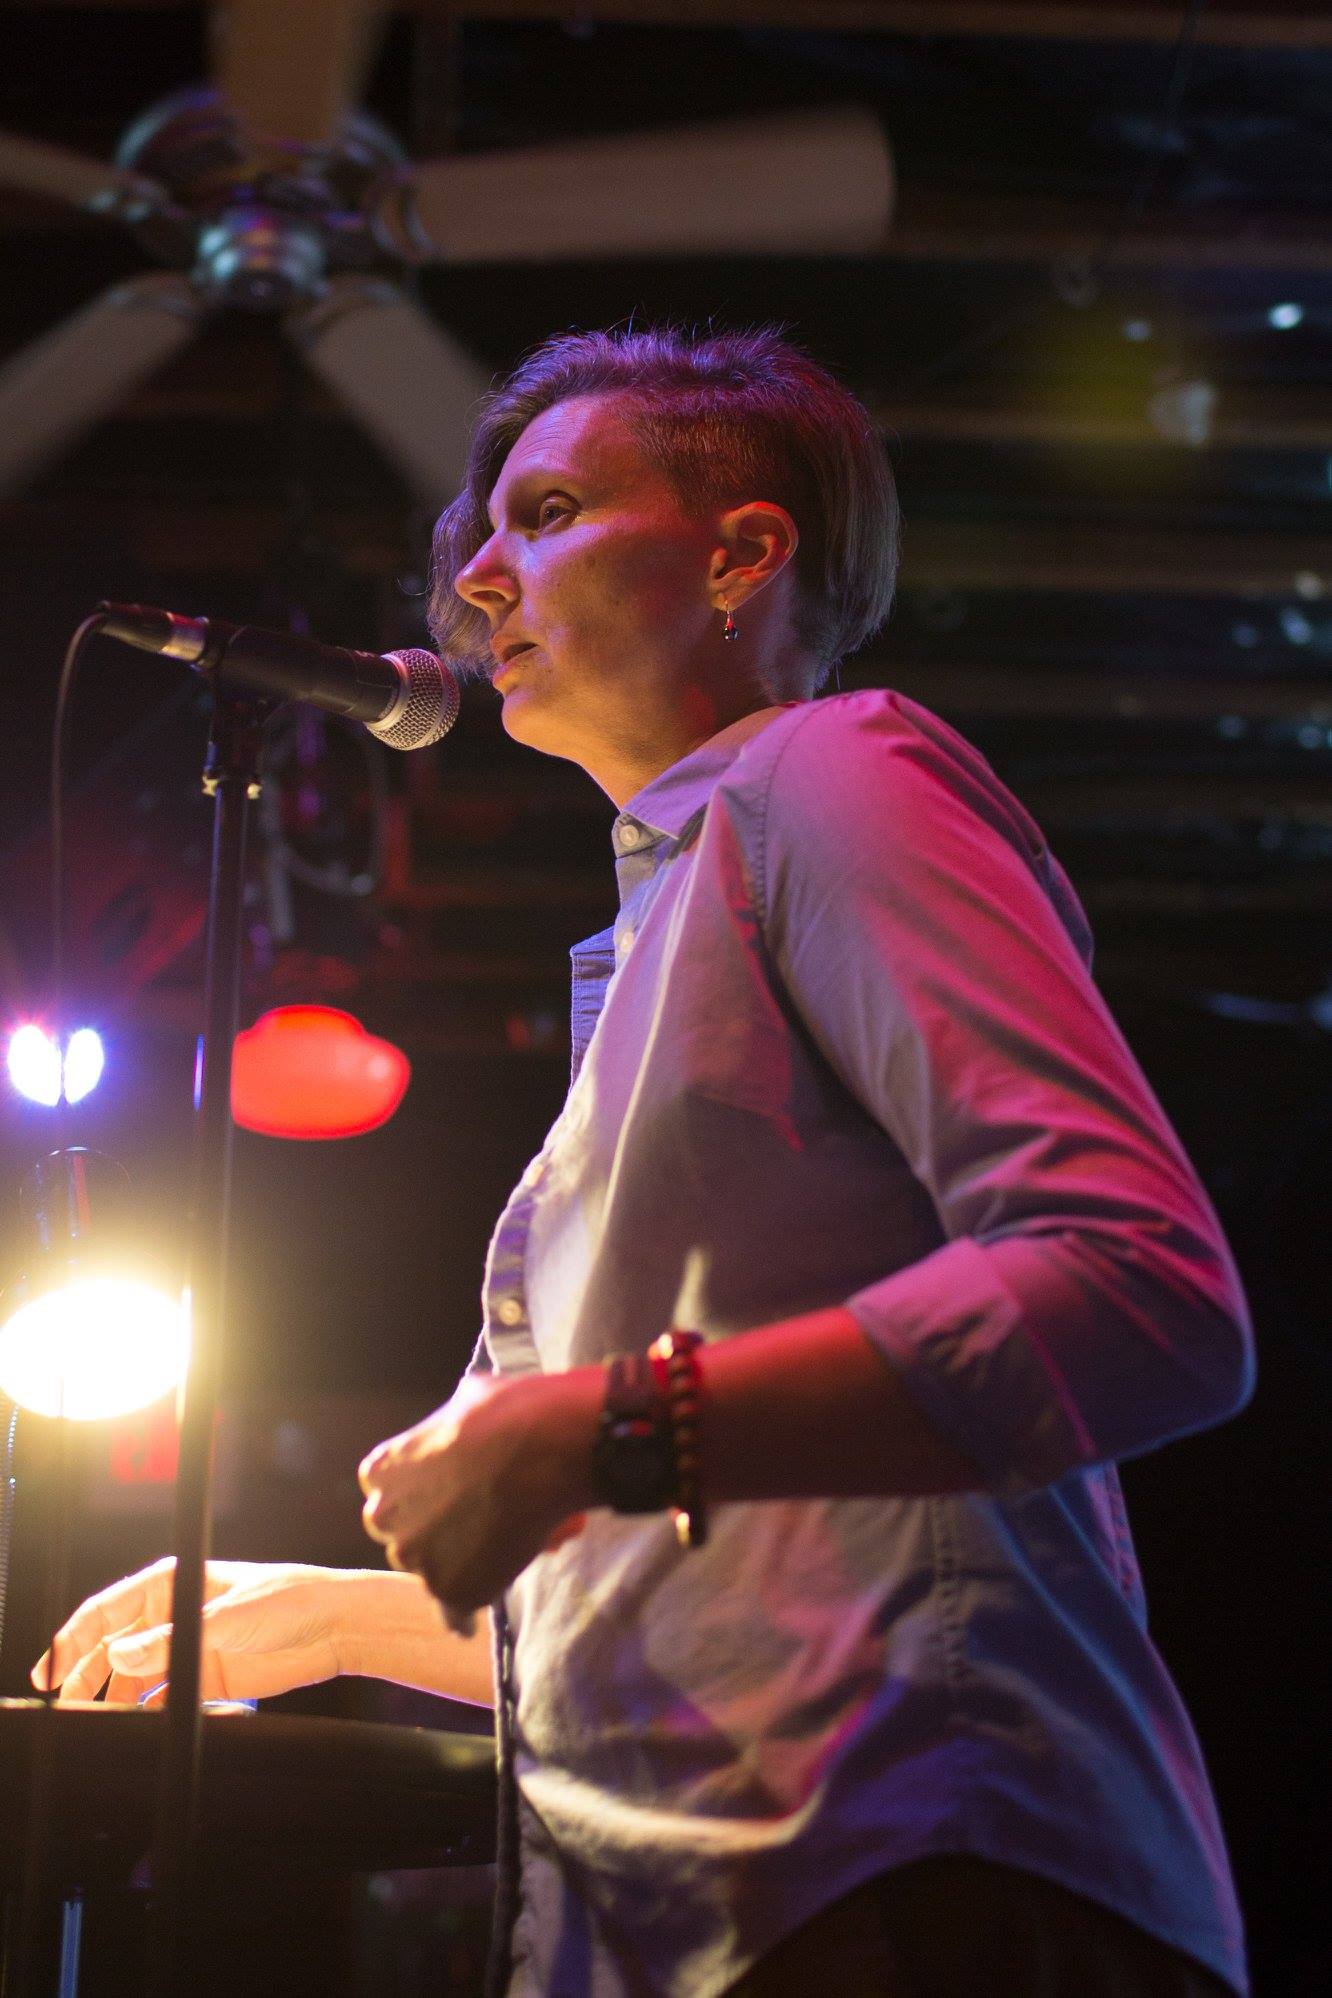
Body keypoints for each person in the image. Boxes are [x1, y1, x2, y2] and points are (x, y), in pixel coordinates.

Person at [38, 326, 1254, 1998]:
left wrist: (599, 1422)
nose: (474, 572)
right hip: (737, 1917)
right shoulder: (665, 928)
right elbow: (712, 1573)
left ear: (745, 552)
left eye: (542, 510)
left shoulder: (833, 774)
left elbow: (1147, 1285)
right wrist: (320, 1614)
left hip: (925, 1874)